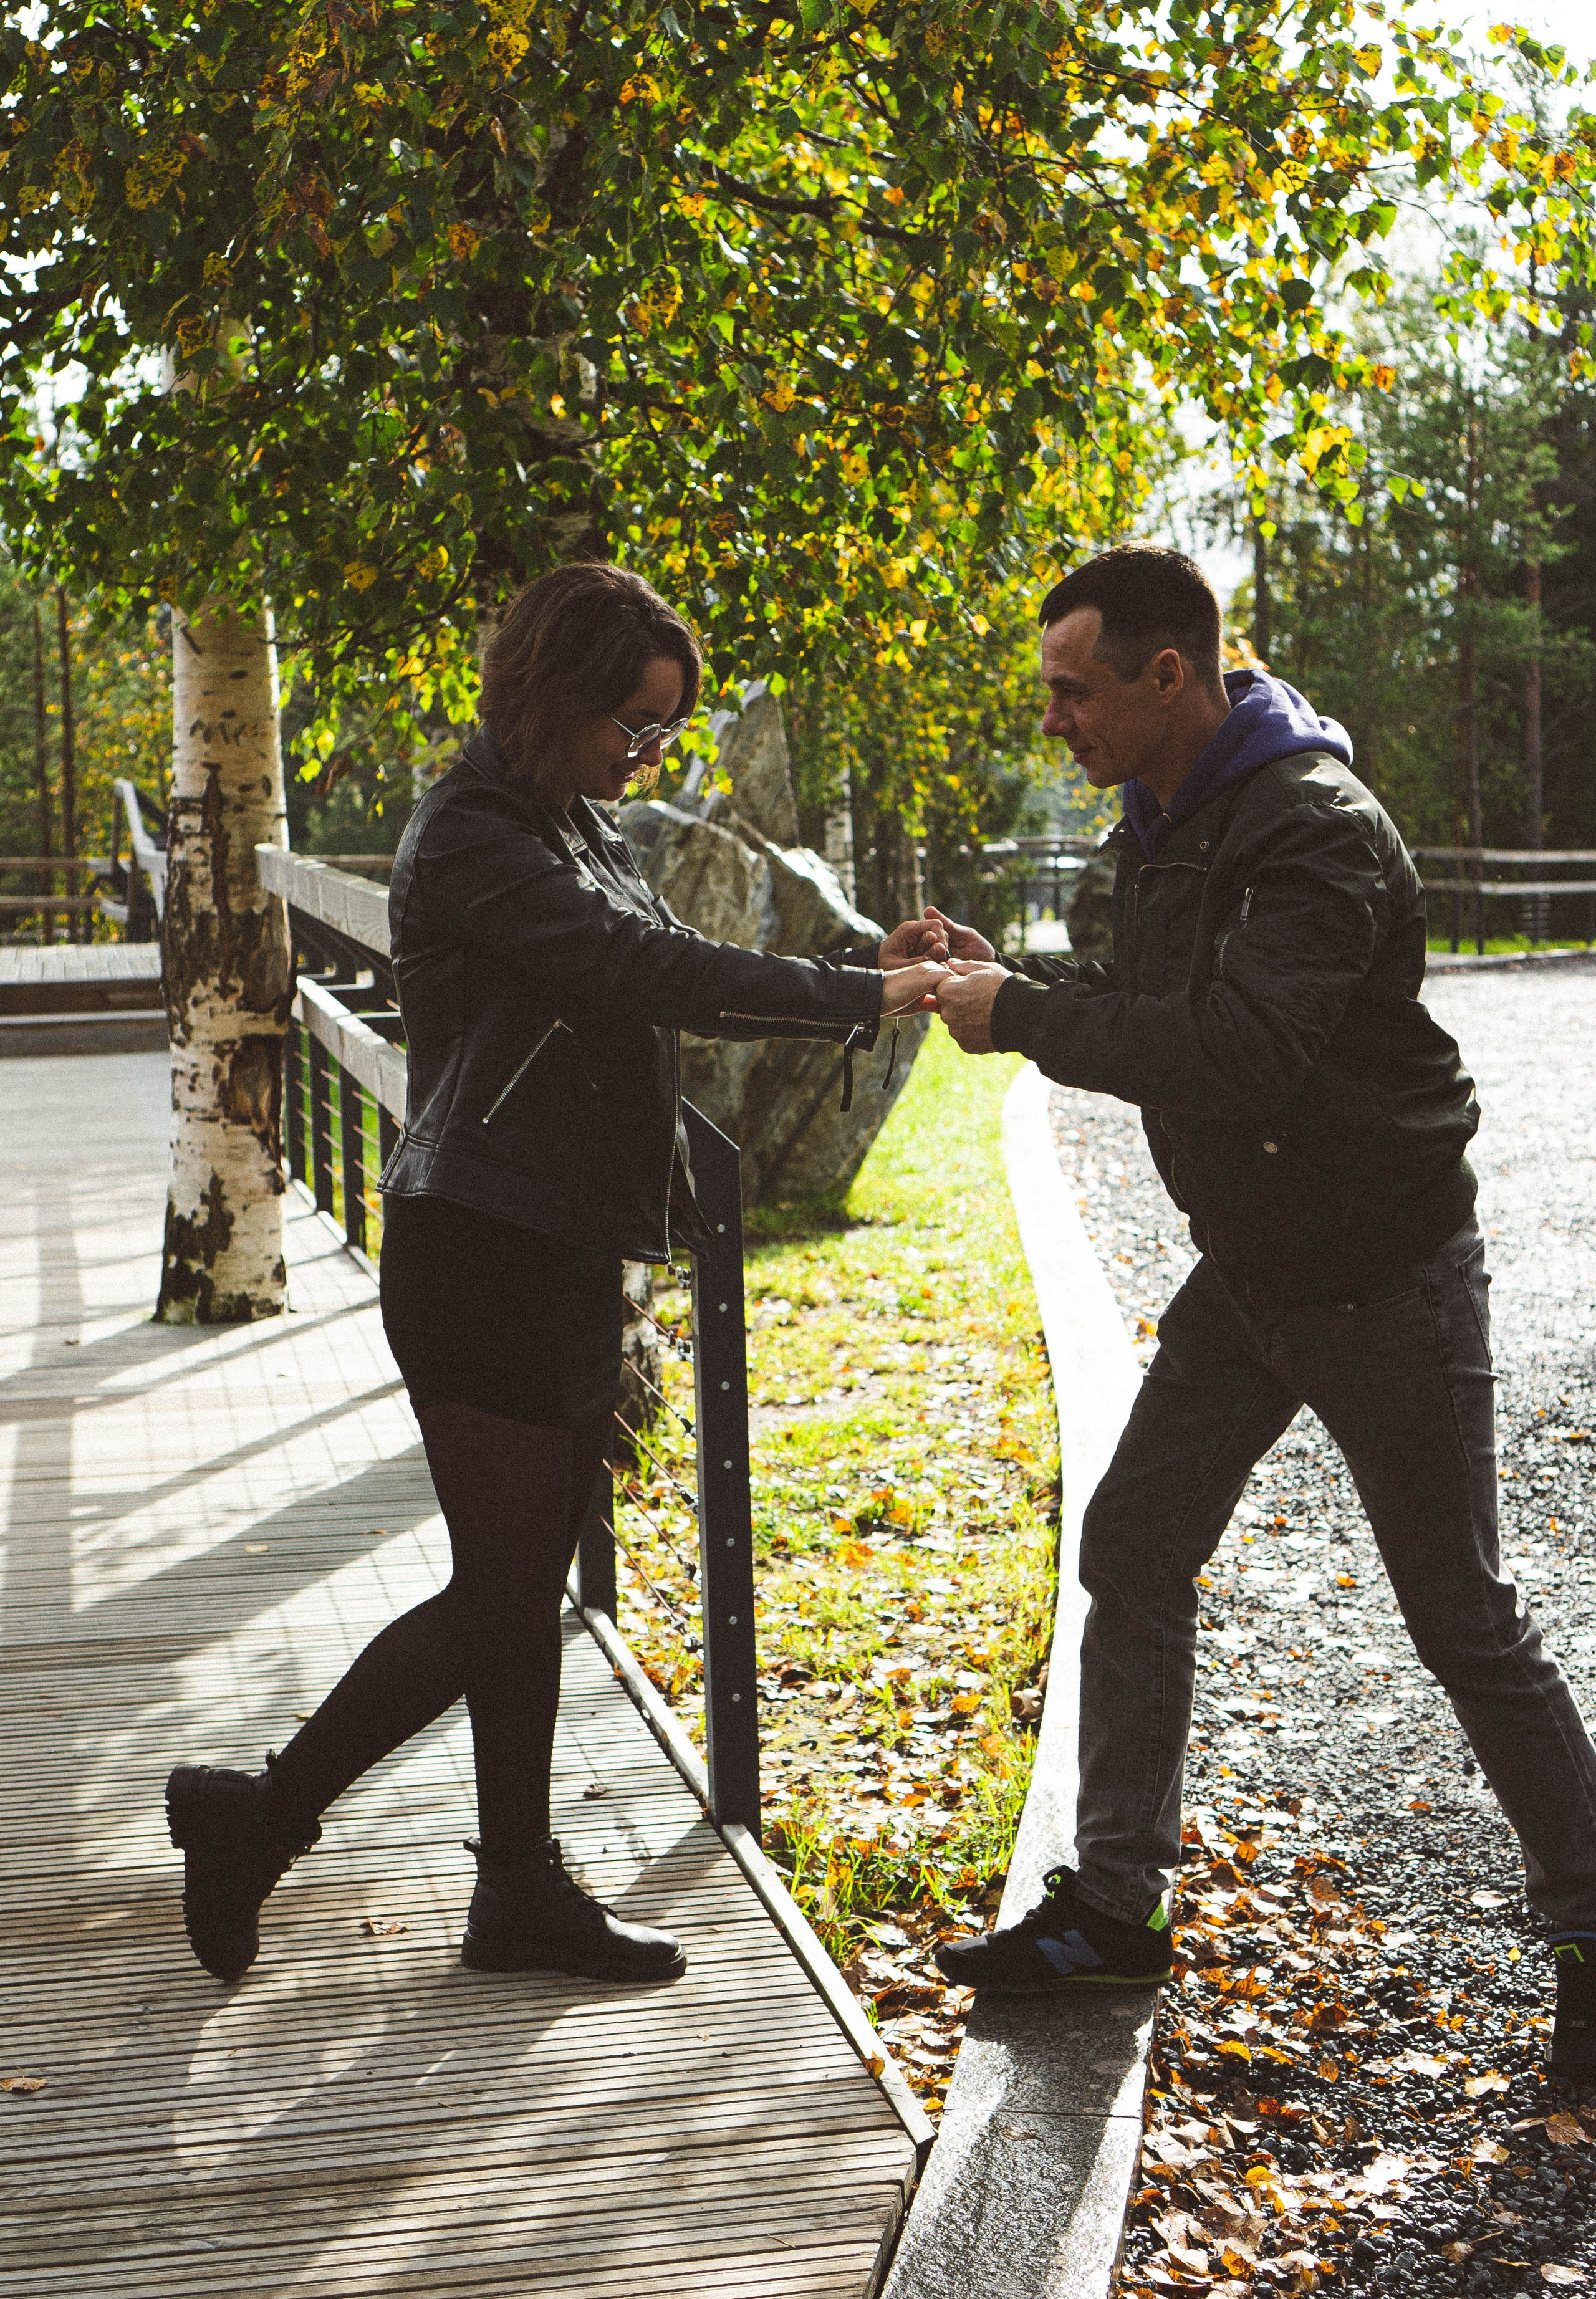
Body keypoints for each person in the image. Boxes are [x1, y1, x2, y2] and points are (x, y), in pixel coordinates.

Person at [165, 562, 951, 1987]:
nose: (643, 756)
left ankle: (512, 1890)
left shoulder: (568, 822)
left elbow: (668, 947)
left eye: (661, 733)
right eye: (631, 726)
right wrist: (859, 996)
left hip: (567, 1246)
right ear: (555, 692)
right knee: (503, 1593)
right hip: (483, 1251)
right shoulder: (468, 835)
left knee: (515, 1587)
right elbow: (631, 968)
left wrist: (850, 956)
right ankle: (262, 1817)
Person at [928, 543, 1596, 2083]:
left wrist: (1022, 1021)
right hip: (1251, 1272)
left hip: (1381, 1276)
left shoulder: (1311, 826)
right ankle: (1108, 1908)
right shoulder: (1164, 821)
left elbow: (1238, 1052)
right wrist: (999, 972)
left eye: (1073, 692)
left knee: (1460, 1621)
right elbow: (1130, 989)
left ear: (1170, 677)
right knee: (1134, 1545)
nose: (1056, 723)